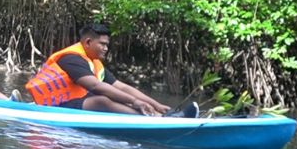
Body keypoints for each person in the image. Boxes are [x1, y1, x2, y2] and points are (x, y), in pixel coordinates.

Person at [22, 23, 182, 116]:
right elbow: (95, 86)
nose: (106, 49)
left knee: (117, 96)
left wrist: (156, 104)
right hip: (54, 108)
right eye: (102, 44)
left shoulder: (94, 63)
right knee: (102, 100)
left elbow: (122, 87)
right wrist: (134, 102)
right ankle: (155, 119)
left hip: (73, 104)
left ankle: (160, 113)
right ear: (88, 42)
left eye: (107, 45)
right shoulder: (71, 59)